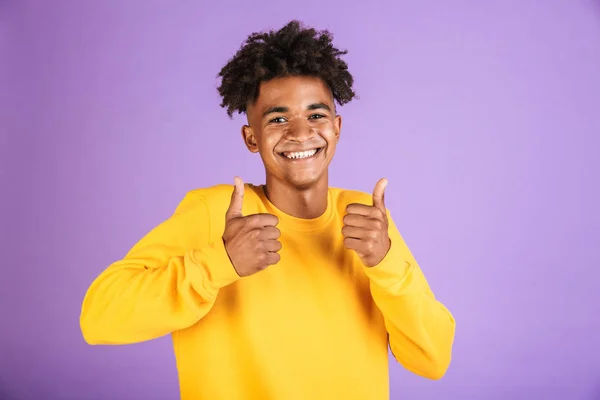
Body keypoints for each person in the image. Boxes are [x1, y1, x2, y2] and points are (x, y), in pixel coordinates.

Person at [80, 20, 456, 400]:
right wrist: (219, 262)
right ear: (251, 137)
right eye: (278, 118)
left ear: (337, 127)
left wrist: (385, 261)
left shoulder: (364, 219)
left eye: (316, 115)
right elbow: (99, 317)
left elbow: (432, 359)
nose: (299, 132)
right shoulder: (217, 213)